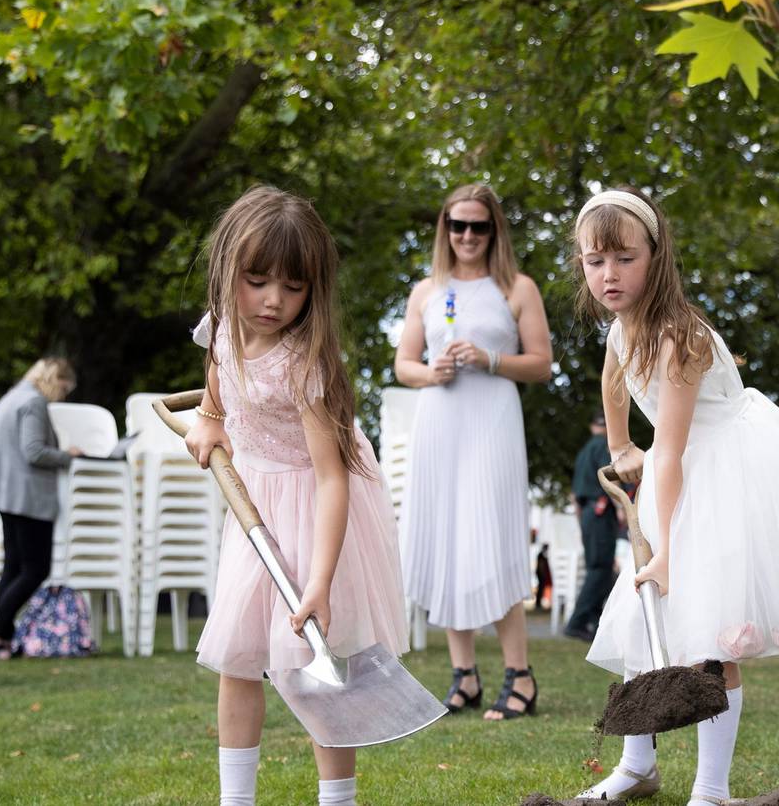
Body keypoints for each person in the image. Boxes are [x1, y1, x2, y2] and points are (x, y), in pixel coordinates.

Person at [572, 188, 779, 805]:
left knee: (714, 637)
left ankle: (711, 789)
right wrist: (618, 447)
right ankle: (637, 767)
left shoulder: (678, 335)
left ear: (656, 257)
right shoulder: (621, 329)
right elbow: (614, 385)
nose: (608, 275)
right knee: (647, 621)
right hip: (686, 471)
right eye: (594, 261)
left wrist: (664, 549)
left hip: (725, 474)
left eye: (623, 258)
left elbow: (668, 450)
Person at [184, 185, 408, 806]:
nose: (273, 301)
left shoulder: (305, 364)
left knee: (318, 666)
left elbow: (334, 477)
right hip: (253, 511)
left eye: (293, 287)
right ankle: (237, 800)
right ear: (230, 271)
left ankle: (338, 800)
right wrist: (208, 415)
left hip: (316, 510)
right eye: (257, 281)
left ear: (315, 288)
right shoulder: (226, 328)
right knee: (237, 657)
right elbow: (217, 377)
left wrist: (319, 579)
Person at [393, 183, 553, 719]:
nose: (466, 235)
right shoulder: (426, 292)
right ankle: (464, 677)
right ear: (445, 228)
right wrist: (429, 372)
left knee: (495, 536)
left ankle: (520, 676)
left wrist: (489, 357)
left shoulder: (517, 288)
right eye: (456, 225)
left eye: (477, 226)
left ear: (493, 231)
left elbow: (541, 364)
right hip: (440, 422)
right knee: (446, 539)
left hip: (493, 422)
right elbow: (403, 365)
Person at [0, 358, 82, 660]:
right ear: (54, 378)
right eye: (64, 388)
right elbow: (34, 451)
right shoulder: (33, 402)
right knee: (36, 568)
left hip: (4, 492)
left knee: (13, 567)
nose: (62, 395)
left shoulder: (9, 398)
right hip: (28, 495)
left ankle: (3, 640)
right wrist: (68, 456)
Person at [564, 411, 620, 642]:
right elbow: (610, 478)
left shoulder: (583, 452)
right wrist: (620, 506)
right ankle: (578, 622)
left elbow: (575, 494)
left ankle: (594, 621)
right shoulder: (603, 447)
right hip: (600, 511)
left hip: (587, 513)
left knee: (597, 568)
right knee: (601, 568)